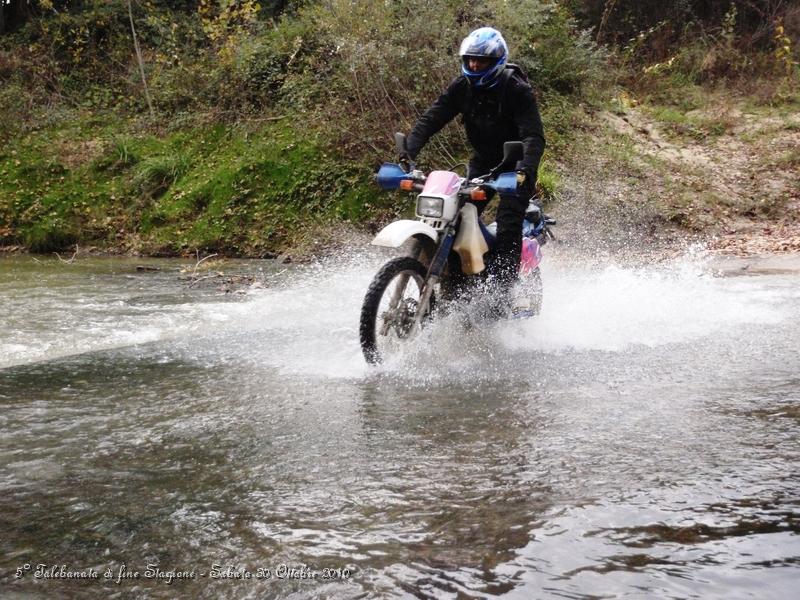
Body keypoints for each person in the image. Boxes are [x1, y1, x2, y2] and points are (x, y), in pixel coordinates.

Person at [402, 27, 546, 312]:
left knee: (507, 222)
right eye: (470, 60)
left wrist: (525, 170)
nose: (475, 65)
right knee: (455, 218)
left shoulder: (516, 89)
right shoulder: (462, 87)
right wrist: (407, 152)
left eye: (481, 61)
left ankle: (503, 292)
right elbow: (432, 118)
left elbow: (533, 136)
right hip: (482, 162)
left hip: (514, 167)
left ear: (497, 61)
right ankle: (458, 283)